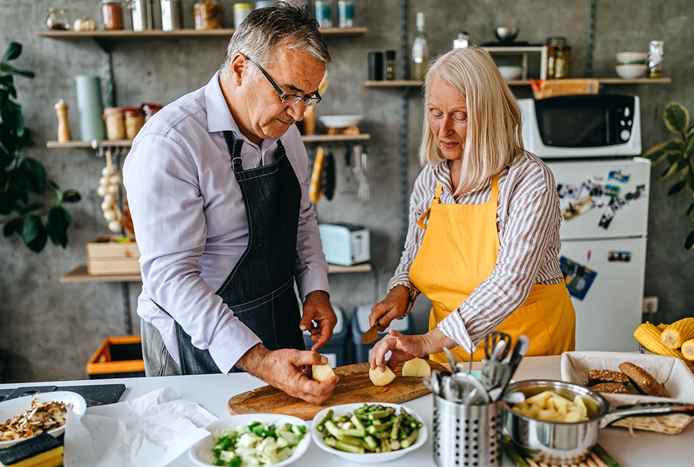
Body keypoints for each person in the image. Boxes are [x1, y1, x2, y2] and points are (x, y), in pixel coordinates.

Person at [123, 3, 339, 404]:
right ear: (241, 67)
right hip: (197, 340)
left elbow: (301, 218)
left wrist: (315, 290)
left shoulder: (284, 131)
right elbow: (172, 279)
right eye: (288, 93)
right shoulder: (169, 145)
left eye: (309, 97)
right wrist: (257, 358)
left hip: (276, 317)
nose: (298, 112)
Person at [368, 47, 576, 370]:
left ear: (488, 115)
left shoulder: (529, 181)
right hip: (449, 354)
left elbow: (510, 284)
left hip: (528, 355)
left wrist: (425, 342)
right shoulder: (431, 179)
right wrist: (402, 289)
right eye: (436, 113)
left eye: (460, 115)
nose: (444, 129)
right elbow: (414, 253)